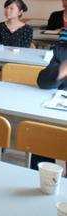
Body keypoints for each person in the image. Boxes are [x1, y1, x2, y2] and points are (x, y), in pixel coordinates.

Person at [32, 29, 67, 169]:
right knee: (41, 131)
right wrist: (60, 72)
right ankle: (41, 175)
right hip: (59, 112)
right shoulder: (61, 50)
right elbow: (43, 82)